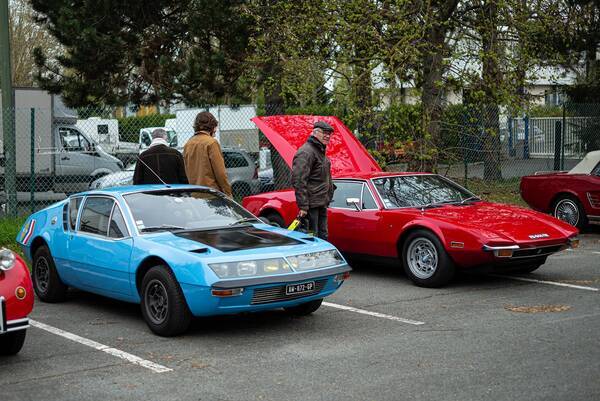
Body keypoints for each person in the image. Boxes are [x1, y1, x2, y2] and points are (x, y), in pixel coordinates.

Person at [291, 120, 335, 239]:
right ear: (314, 133)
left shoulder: (320, 151)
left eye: (329, 133)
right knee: (312, 238)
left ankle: (323, 258)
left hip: (321, 203)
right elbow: (298, 180)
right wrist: (303, 206)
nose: (327, 136)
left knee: (323, 237)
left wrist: (329, 194)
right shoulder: (306, 152)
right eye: (324, 132)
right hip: (311, 206)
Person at [183, 111, 232, 197]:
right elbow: (221, 173)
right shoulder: (211, 143)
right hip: (211, 195)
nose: (215, 133)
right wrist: (228, 194)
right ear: (211, 126)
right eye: (215, 129)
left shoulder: (188, 144)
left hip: (194, 195)